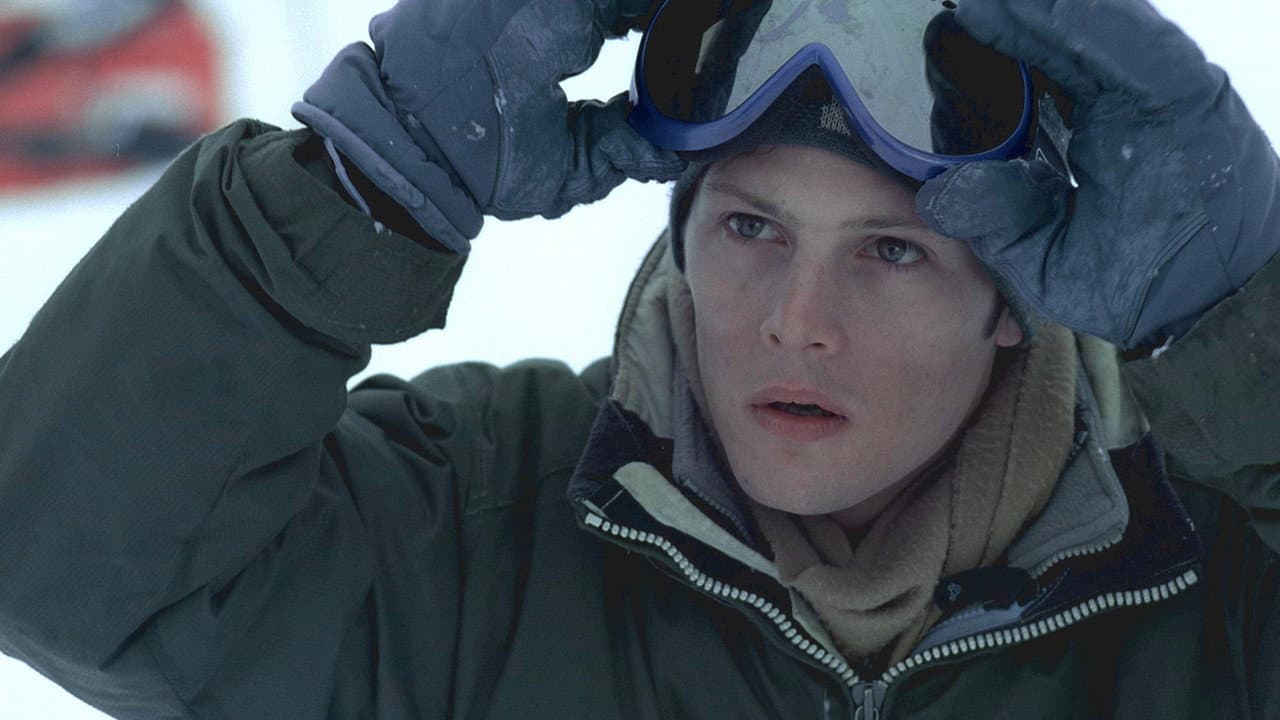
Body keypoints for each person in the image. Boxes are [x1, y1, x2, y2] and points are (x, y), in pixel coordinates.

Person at [0, 0, 1276, 718]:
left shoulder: (1215, 566)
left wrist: (1242, 342)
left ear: (1013, 303)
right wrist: (355, 192)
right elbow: (70, 575)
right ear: (679, 241)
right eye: (750, 228)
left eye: (890, 252)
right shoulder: (482, 521)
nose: (795, 321)